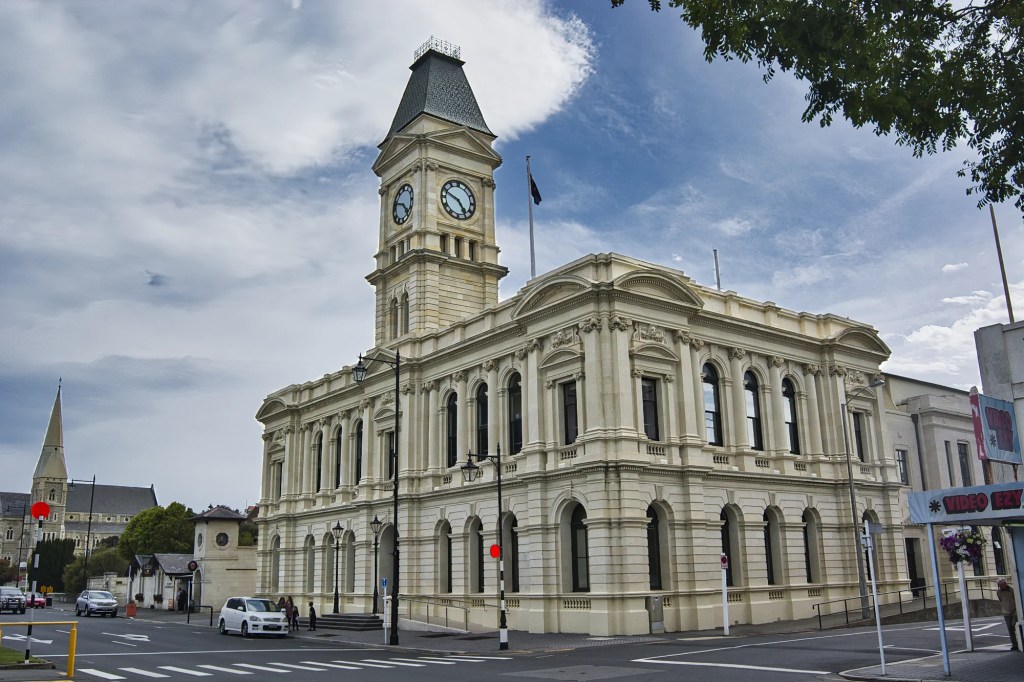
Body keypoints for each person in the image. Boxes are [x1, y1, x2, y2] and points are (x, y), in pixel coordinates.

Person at [997, 579, 1019, 651]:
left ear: (1005, 584)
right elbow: (1001, 600)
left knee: (1014, 625)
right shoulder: (999, 592)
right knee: (1010, 628)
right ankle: (1014, 644)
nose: (1000, 586)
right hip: (1006, 612)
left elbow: (1016, 599)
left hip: (1015, 611)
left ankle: (1020, 641)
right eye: (999, 585)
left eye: (1001, 585)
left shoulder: (1012, 590)